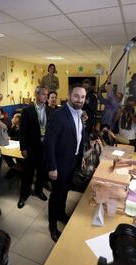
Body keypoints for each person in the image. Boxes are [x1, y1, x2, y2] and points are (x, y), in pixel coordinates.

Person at [45, 86, 86, 242]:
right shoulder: (58, 115)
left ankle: (61, 214)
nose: (80, 100)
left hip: (72, 162)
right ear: (69, 96)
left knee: (65, 192)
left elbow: (79, 136)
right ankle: (52, 225)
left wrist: (80, 156)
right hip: (59, 164)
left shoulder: (79, 114)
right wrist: (52, 167)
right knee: (56, 195)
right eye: (76, 96)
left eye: (82, 97)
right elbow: (49, 143)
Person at [17, 87, 51, 209]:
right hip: (31, 148)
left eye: (47, 94)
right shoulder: (27, 111)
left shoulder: (51, 110)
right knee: (28, 173)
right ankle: (23, 195)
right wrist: (23, 148)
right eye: (43, 94)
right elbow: (22, 131)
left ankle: (38, 190)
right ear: (36, 95)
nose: (46, 97)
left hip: (45, 148)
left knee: (42, 172)